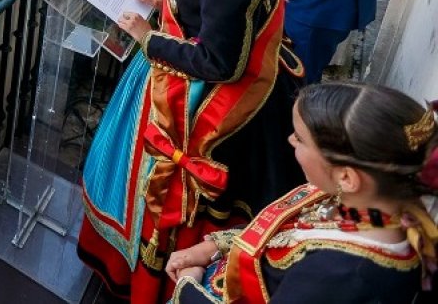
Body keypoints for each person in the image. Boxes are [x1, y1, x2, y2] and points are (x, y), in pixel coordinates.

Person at [80, 0, 304, 304]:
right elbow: (214, 12)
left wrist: (148, 38)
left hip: (200, 106)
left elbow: (220, 61)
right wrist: (167, 0)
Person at [166, 82, 438, 303]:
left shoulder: (340, 277)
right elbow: (284, 229)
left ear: (347, 176)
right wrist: (214, 246)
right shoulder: (371, 201)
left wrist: (188, 285)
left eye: (300, 138)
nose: (290, 140)